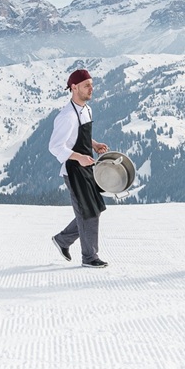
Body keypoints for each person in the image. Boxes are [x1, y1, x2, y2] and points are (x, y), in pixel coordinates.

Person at [48, 69, 110, 268]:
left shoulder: (86, 109)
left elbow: (77, 136)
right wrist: (79, 157)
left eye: (92, 84)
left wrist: (94, 144)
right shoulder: (67, 116)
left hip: (86, 166)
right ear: (74, 88)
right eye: (87, 85)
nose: (92, 89)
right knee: (88, 212)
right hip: (74, 170)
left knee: (95, 209)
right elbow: (56, 146)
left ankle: (63, 240)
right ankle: (89, 257)